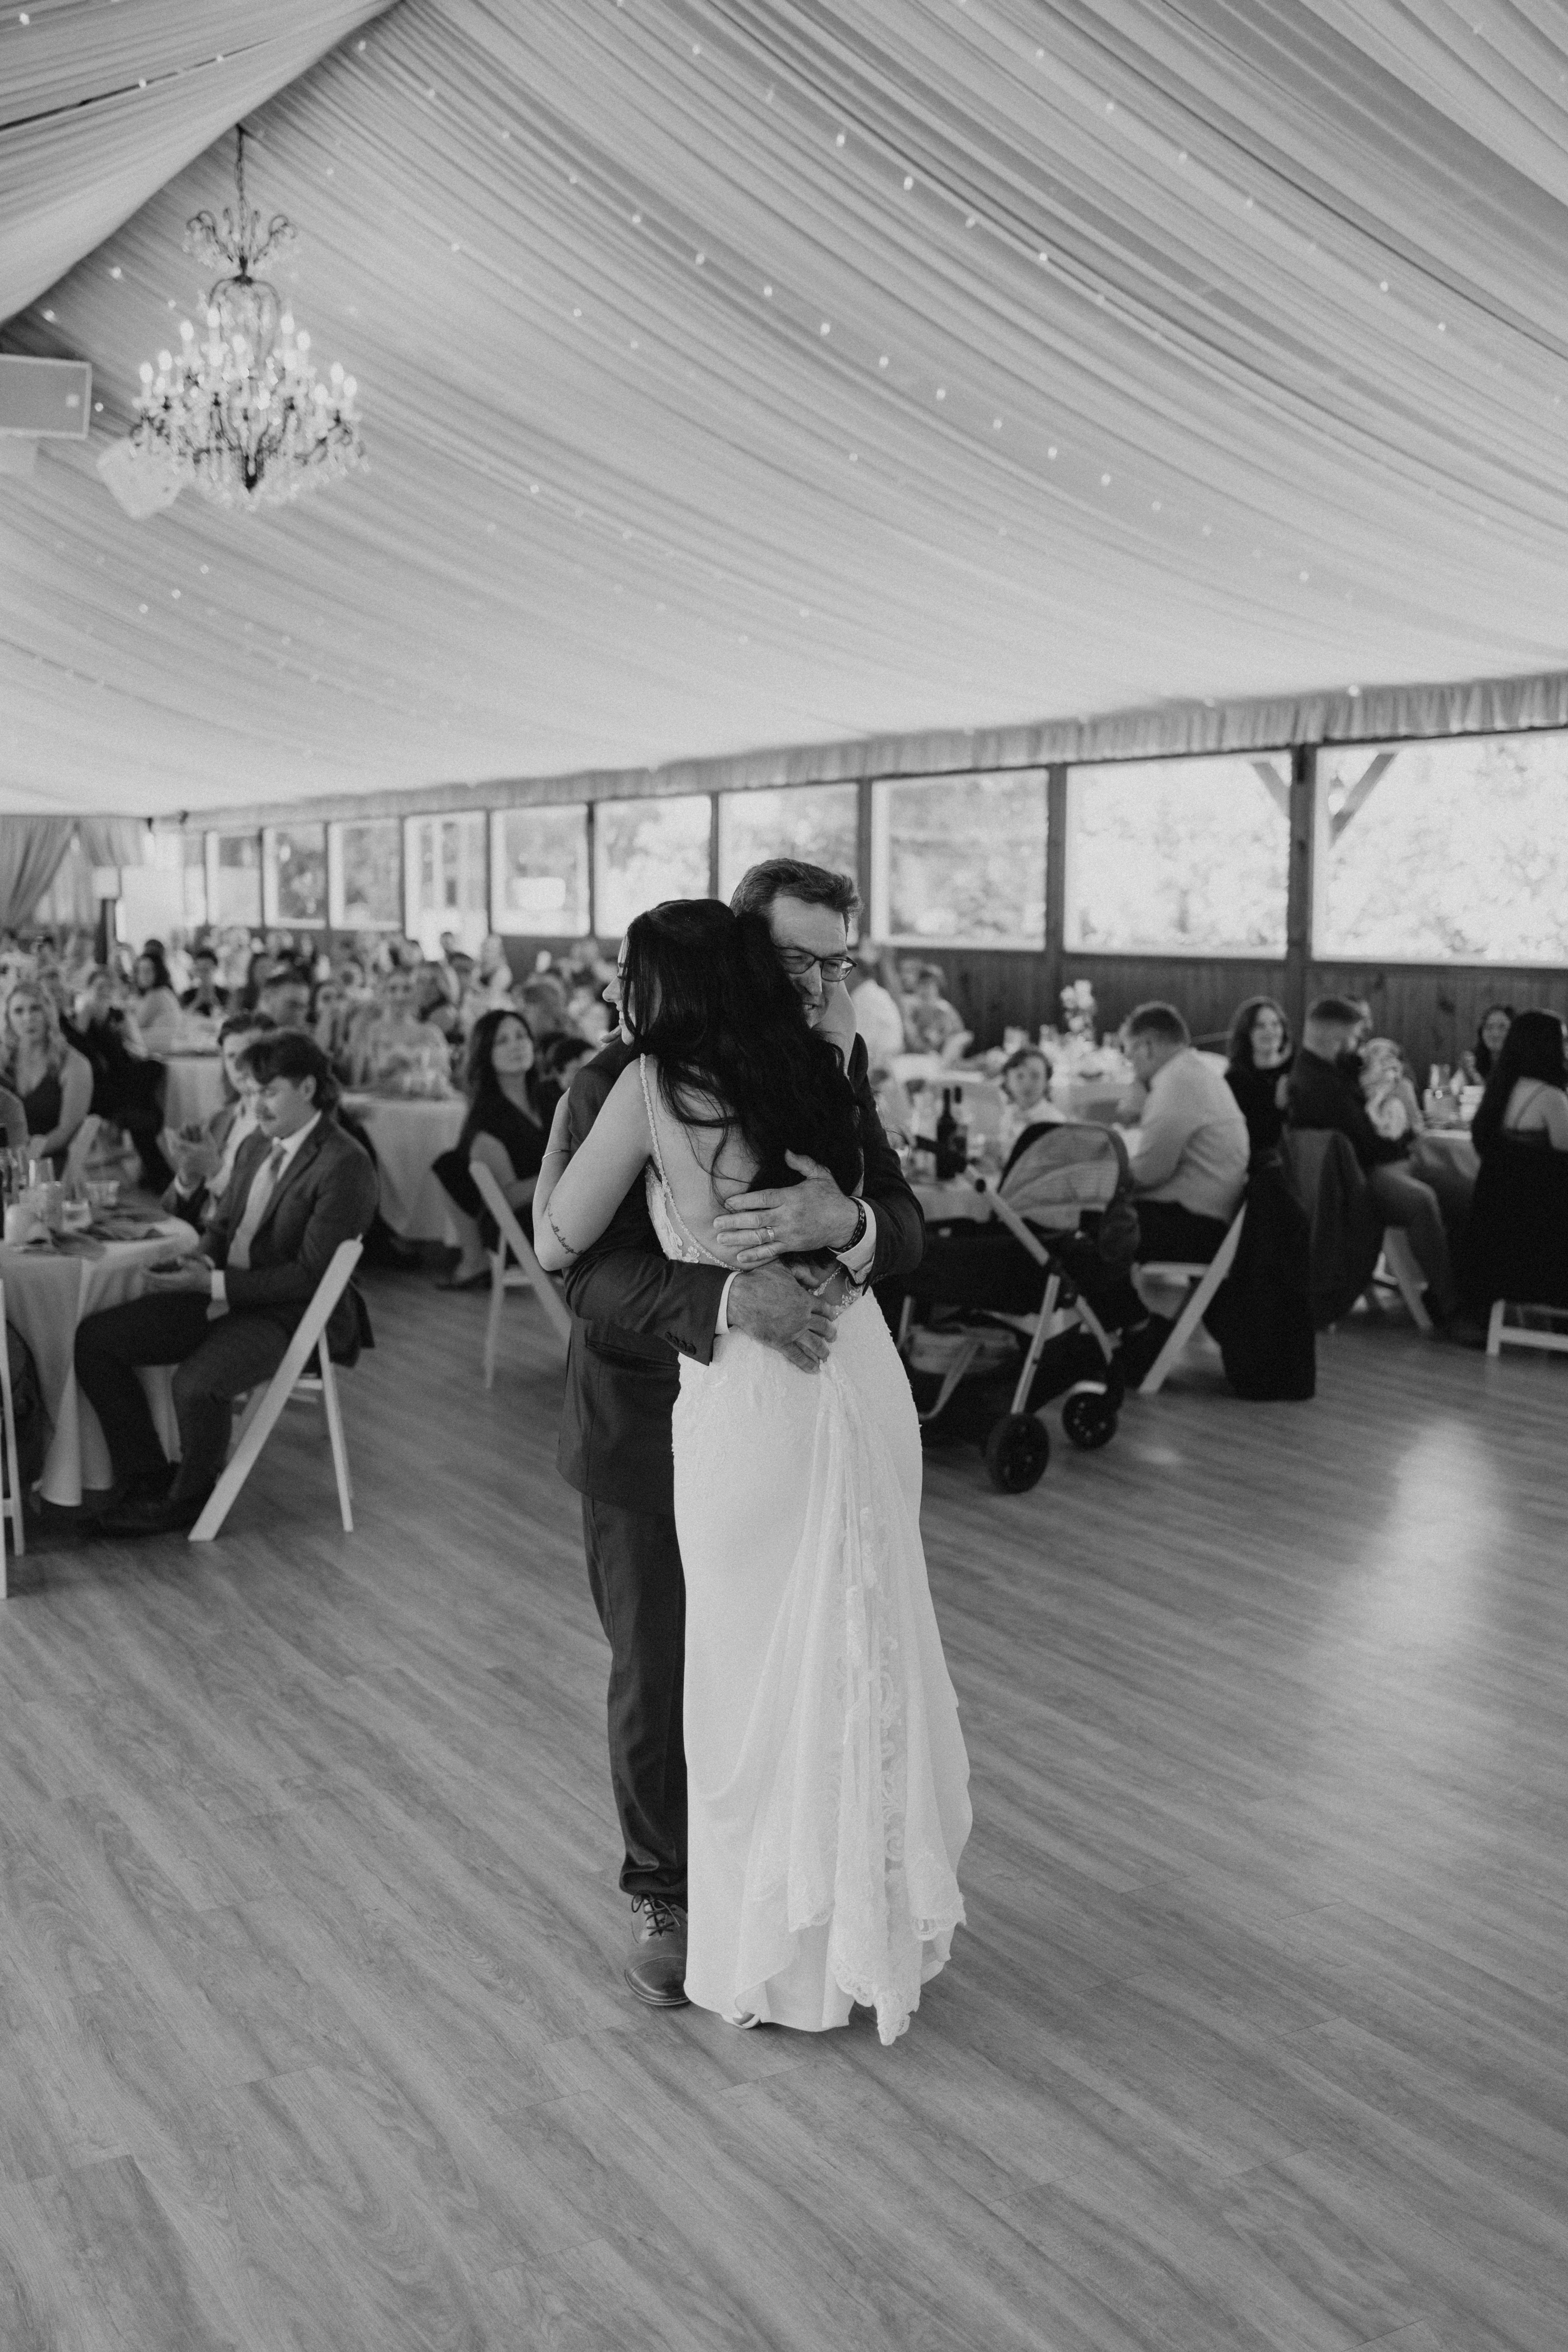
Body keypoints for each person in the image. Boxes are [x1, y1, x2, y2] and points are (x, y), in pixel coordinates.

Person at [535, 882, 964, 2044]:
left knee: (824, 1644)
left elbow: (907, 1223)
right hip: (650, 1409)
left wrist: (846, 1223)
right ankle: (669, 1894)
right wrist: (732, 1296)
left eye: (837, 964)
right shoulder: (607, 1080)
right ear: (738, 948)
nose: (822, 986)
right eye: (799, 960)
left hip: (814, 1389)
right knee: (666, 1664)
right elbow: (584, 1277)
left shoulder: (829, 1061)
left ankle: (825, 1901)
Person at [76, 1032, 379, 1537]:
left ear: (308, 1088)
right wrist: (196, 1261)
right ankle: (149, 1475)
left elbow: (310, 1276)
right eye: (251, 1092)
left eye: (270, 1091)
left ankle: (189, 1499)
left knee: (196, 1386)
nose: (256, 1104)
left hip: (288, 1315)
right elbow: (225, 1226)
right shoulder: (258, 1144)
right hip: (223, 1293)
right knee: (96, 1341)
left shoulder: (344, 1163)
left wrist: (212, 1283)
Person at [1286, 995, 1460, 1325]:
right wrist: (1406, 1140)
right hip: (1357, 1180)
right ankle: (1450, 1304)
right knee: (1422, 1200)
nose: (1358, 1046)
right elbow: (1367, 1146)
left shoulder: (1322, 1069)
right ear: (1337, 1040)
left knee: (1459, 1188)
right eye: (1353, 1039)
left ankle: (1467, 1290)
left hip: (1373, 1164)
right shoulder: (1321, 1087)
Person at [1119, 1004, 1249, 1263]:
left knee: (1089, 1224)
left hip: (1196, 1227)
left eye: (1129, 1052)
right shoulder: (1192, 1072)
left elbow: (1148, 1173)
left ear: (1147, 1047)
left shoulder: (1176, 1083)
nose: (1130, 1063)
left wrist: (1097, 1177)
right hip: (1208, 1217)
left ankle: (1116, 1305)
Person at [432, 1009, 548, 1288]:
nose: (516, 1045)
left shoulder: (549, 1096)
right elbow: (506, 1198)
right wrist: (564, 1172)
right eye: (502, 1041)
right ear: (486, 1054)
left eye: (521, 1036)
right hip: (526, 1227)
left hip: (563, 1207)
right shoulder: (488, 1119)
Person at [163, 1011, 275, 1230]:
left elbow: (267, 1219)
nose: (240, 1066)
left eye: (250, 1055)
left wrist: (215, 1170)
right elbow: (169, 1214)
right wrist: (188, 1178)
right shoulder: (222, 1120)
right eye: (232, 1057)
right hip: (199, 1239)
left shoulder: (283, 1126)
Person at [70, 968, 173, 1191]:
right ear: (89, 991)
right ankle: (160, 1175)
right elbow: (81, 1054)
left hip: (121, 1085)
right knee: (145, 1101)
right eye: (99, 988)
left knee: (148, 1090)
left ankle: (158, 1175)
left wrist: (127, 1027)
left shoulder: (117, 1016)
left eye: (109, 988)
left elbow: (138, 1051)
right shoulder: (82, 1019)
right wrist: (85, 1020)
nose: (105, 992)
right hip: (97, 1089)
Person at [1, 983, 93, 1172]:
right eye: (19, 1011)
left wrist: (26, 1155)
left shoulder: (73, 1064)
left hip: (50, 1163)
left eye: (36, 1008)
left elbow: (67, 1131)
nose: (28, 1018)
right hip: (7, 1161)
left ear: (49, 1014)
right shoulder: (5, 1061)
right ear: (9, 1019)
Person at [350, 968, 451, 1093]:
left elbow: (443, 1076)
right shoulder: (370, 1031)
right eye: (393, 989)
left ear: (417, 993)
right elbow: (359, 1078)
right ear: (383, 993)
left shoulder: (431, 1033)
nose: (400, 997)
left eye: (407, 989)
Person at [1224, 997, 1293, 1155]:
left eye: (1276, 1024)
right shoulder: (1236, 1079)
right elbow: (1247, 1137)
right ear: (1247, 1033)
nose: (1270, 1031)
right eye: (1260, 1026)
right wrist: (1279, 1107)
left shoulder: (1294, 1068)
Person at [847, 943, 907, 1074]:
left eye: (846, 971)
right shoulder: (874, 992)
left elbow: (861, 1040)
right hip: (884, 1059)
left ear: (857, 973)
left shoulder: (865, 996)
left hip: (881, 1064)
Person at [903, 964, 971, 1062]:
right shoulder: (913, 1008)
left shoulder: (943, 1009)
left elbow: (951, 1036)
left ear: (938, 988)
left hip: (942, 1054)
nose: (925, 990)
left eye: (930, 985)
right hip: (921, 1051)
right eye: (922, 984)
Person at [131, 948, 183, 1054]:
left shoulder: (157, 995)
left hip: (162, 1049)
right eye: (140, 971)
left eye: (148, 971)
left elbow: (137, 1025)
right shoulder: (162, 992)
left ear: (158, 972)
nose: (143, 976)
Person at [1462, 1003, 1514, 1085]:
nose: (1496, 1034)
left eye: (1503, 1027)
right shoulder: (1473, 1060)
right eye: (1490, 1027)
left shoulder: (1523, 1064)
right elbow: (1452, 1093)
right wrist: (1470, 1072)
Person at [180, 947, 228, 1018]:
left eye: (207, 970)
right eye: (200, 970)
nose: (203, 975)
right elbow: (182, 1018)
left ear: (215, 968)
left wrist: (214, 1001)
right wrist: (197, 1002)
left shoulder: (225, 994)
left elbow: (227, 1019)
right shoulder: (188, 995)